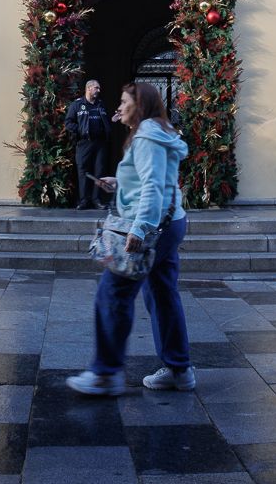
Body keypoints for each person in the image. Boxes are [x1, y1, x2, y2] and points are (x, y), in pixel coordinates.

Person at [67, 81, 194, 396]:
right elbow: (152, 179)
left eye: (124, 102)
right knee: (162, 295)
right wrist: (118, 183)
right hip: (170, 222)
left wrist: (140, 228)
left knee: (113, 293)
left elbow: (153, 186)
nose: (118, 108)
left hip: (155, 226)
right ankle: (179, 369)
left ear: (140, 105)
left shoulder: (148, 136)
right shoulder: (152, 132)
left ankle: (105, 374)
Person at [65, 79, 112, 210]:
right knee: (83, 170)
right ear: (89, 88)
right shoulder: (77, 105)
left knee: (99, 171)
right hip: (84, 142)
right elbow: (68, 123)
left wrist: (110, 124)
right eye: (96, 88)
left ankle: (97, 200)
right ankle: (84, 200)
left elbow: (105, 121)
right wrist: (80, 130)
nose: (98, 90)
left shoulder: (101, 104)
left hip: (100, 143)